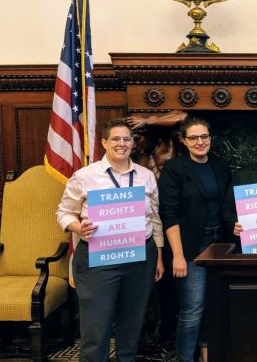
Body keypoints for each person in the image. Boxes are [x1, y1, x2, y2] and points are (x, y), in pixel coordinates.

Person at [56, 118, 164, 362]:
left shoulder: (146, 176)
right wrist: (77, 227)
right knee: (96, 326)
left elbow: (155, 217)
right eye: (116, 138)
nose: (122, 144)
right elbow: (63, 212)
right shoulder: (85, 176)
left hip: (141, 257)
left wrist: (158, 255)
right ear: (104, 142)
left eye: (127, 139)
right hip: (98, 258)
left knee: (133, 321)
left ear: (133, 144)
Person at [157, 117, 231, 362]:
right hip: (190, 246)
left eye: (205, 137)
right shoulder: (174, 169)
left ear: (210, 138)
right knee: (192, 309)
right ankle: (185, 358)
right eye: (194, 138)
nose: (200, 142)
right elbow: (169, 214)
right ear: (183, 140)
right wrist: (178, 255)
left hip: (220, 244)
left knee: (214, 306)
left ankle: (208, 355)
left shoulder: (220, 166)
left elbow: (228, 206)